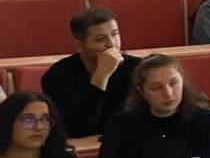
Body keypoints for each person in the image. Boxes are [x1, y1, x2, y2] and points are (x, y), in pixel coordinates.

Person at [40, 8, 140, 138]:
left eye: (115, 34)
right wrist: (101, 76)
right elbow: (77, 128)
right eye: (100, 39)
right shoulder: (57, 76)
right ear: (80, 45)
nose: (111, 44)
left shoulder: (137, 67)